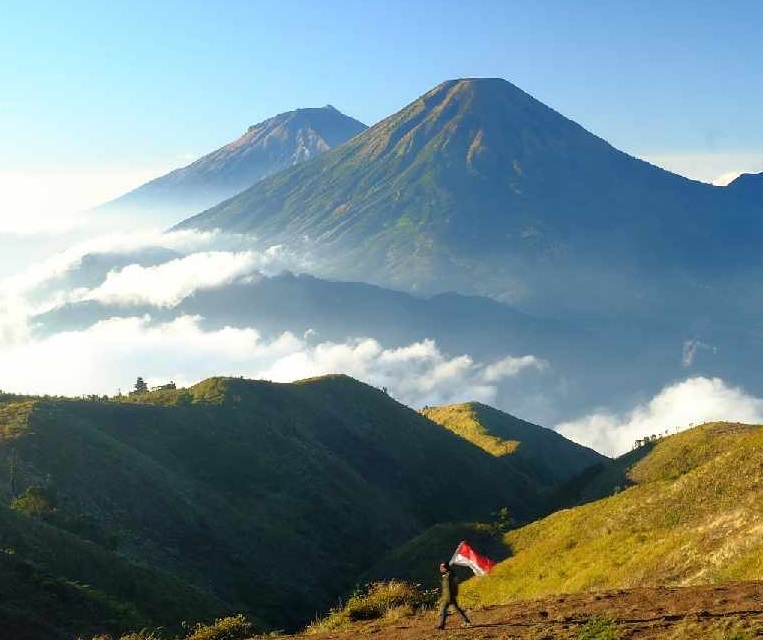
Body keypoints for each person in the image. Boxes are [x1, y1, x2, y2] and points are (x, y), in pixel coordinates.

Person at [436, 561, 471, 629]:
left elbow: (452, 586)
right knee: (457, 609)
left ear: (445, 568)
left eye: (441, 567)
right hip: (448, 595)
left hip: (449, 596)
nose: (440, 568)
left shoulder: (449, 575)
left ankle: (442, 625)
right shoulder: (447, 575)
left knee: (443, 610)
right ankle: (466, 620)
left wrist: (450, 596)